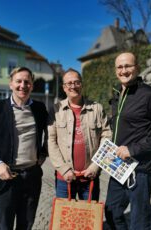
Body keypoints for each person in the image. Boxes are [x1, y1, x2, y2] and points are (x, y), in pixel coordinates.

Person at [105, 52, 151, 230]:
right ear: (115, 70)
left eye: (128, 66)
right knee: (111, 212)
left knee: (139, 223)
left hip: (140, 171)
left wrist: (133, 149)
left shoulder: (150, 95)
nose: (124, 70)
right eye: (120, 67)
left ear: (137, 67)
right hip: (117, 168)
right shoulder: (116, 95)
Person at [0, 67, 48, 230]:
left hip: (31, 177)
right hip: (6, 177)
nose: (23, 85)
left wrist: (43, 152)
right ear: (10, 84)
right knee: (4, 225)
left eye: (27, 82)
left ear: (32, 85)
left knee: (26, 224)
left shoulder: (39, 108)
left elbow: (51, 133)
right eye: (19, 81)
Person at [48, 68, 111, 200]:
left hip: (90, 176)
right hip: (64, 178)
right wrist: (64, 169)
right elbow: (51, 141)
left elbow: (107, 137)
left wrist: (96, 166)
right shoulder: (55, 110)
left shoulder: (97, 108)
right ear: (64, 87)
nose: (73, 86)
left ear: (81, 84)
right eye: (69, 83)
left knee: (88, 219)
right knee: (65, 219)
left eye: (76, 82)